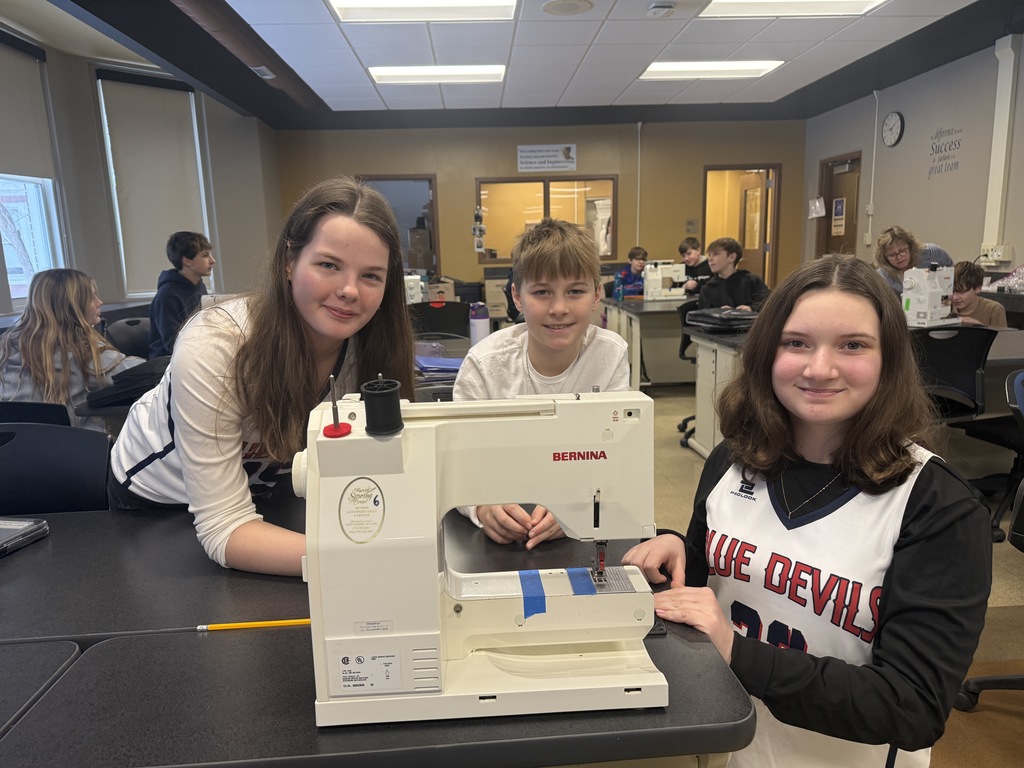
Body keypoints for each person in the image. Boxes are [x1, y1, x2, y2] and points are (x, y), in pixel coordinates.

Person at [622, 255, 990, 767]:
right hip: (726, 747)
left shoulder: (937, 506)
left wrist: (739, 653)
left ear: (889, 360)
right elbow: (705, 588)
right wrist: (677, 547)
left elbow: (912, 707)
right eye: (796, 343)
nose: (819, 368)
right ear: (767, 352)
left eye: (853, 345)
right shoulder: (733, 459)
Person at [109, 177, 416, 576]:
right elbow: (223, 525)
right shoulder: (216, 344)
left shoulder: (372, 347)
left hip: (268, 493)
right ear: (289, 262)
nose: (349, 291)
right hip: (159, 506)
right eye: (328, 265)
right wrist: (364, 561)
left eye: (371, 276)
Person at [454, 218, 629, 549]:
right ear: (517, 297)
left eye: (575, 291)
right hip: (502, 532)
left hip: (578, 531)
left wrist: (578, 505)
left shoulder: (609, 355)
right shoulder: (484, 365)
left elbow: (616, 456)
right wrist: (481, 507)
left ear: (596, 295)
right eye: (542, 292)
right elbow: (458, 463)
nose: (559, 308)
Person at [0, 268, 143, 432]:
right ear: (72, 307)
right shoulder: (82, 353)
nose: (100, 302)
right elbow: (143, 374)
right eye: (92, 297)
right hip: (76, 445)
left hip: (14, 445)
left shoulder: (6, 348)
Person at [148, 231, 216, 358]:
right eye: (205, 255)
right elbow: (172, 344)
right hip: (168, 361)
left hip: (193, 353)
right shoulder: (167, 296)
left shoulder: (199, 287)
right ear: (187, 261)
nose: (212, 261)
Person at [874, 225, 953, 295]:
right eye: (892, 255)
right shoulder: (882, 276)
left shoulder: (931, 253)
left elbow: (953, 272)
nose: (899, 257)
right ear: (884, 257)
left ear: (910, 246)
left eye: (902, 250)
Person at [698, 237, 769, 310]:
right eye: (709, 255)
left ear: (732, 257)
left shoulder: (752, 281)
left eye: (715, 254)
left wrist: (751, 308)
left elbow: (766, 303)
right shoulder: (707, 288)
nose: (710, 259)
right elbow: (702, 314)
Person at [951, 260, 1007, 326]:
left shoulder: (994, 310)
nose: (955, 297)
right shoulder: (944, 307)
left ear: (977, 288)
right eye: (952, 291)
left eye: (961, 292)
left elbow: (1000, 333)